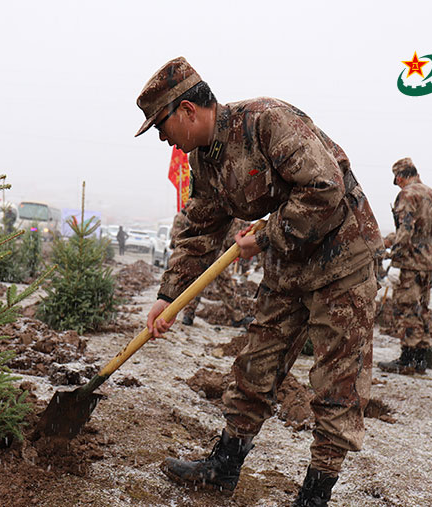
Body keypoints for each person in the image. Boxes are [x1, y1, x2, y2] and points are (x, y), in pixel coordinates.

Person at [136, 57, 382, 505]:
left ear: (189, 110)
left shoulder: (266, 122)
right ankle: (224, 468)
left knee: (336, 385)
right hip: (289, 264)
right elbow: (199, 230)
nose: (162, 136)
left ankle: (315, 494)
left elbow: (325, 188)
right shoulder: (205, 162)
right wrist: (167, 296)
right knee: (255, 365)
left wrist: (265, 234)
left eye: (162, 125)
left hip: (342, 259)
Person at [378, 157, 432, 375]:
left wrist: (396, 262)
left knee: (406, 308)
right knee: (422, 309)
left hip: (410, 263)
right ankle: (421, 359)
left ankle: (406, 359)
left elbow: (405, 230)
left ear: (400, 177)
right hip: (427, 263)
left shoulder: (407, 195)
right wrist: (430, 256)